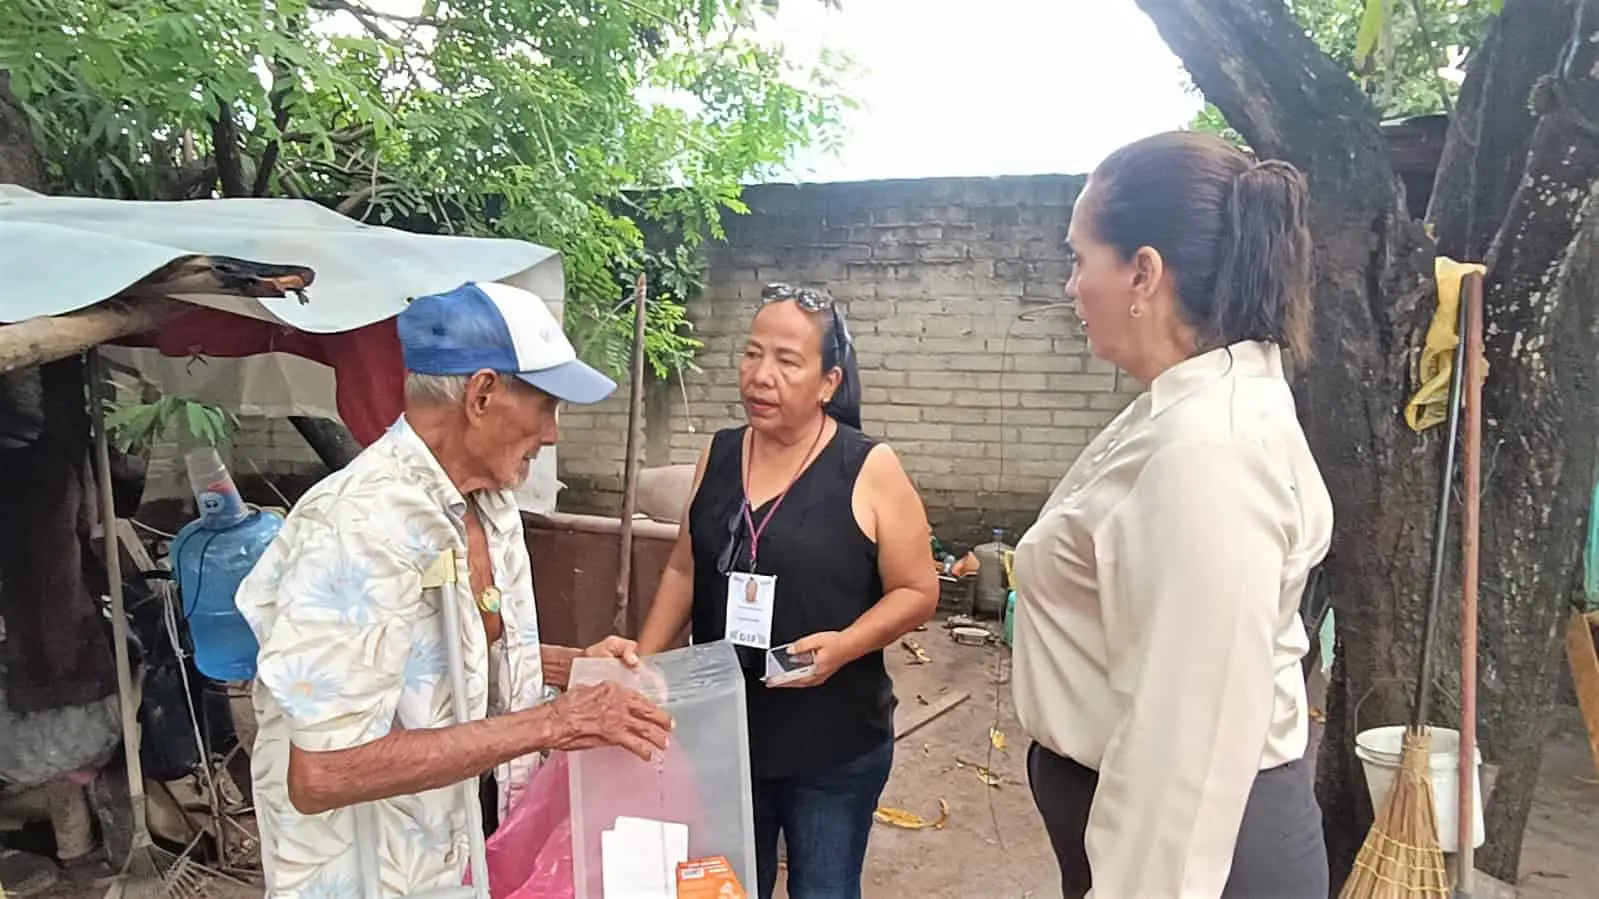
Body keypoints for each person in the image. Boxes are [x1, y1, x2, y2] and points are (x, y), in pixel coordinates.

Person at [236, 281, 674, 899]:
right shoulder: (358, 526)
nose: (553, 434)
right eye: (547, 406)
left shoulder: (486, 504)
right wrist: (556, 722)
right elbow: (321, 771)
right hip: (375, 878)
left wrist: (567, 668)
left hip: (460, 854)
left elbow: (436, 665)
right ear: (483, 393)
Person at [1010, 130, 1334, 899]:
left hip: (1197, 856)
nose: (1069, 286)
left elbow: (1190, 737)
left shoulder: (1207, 450)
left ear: (1142, 273)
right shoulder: (1188, 404)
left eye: (1079, 257)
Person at [613, 283, 939, 899]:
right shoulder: (721, 452)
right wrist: (647, 668)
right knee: (725, 887)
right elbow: (685, 567)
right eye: (751, 354)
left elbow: (918, 590)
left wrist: (844, 645)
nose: (762, 376)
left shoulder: (867, 466)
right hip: (724, 735)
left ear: (828, 382)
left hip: (831, 744)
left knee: (823, 887)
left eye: (787, 362)